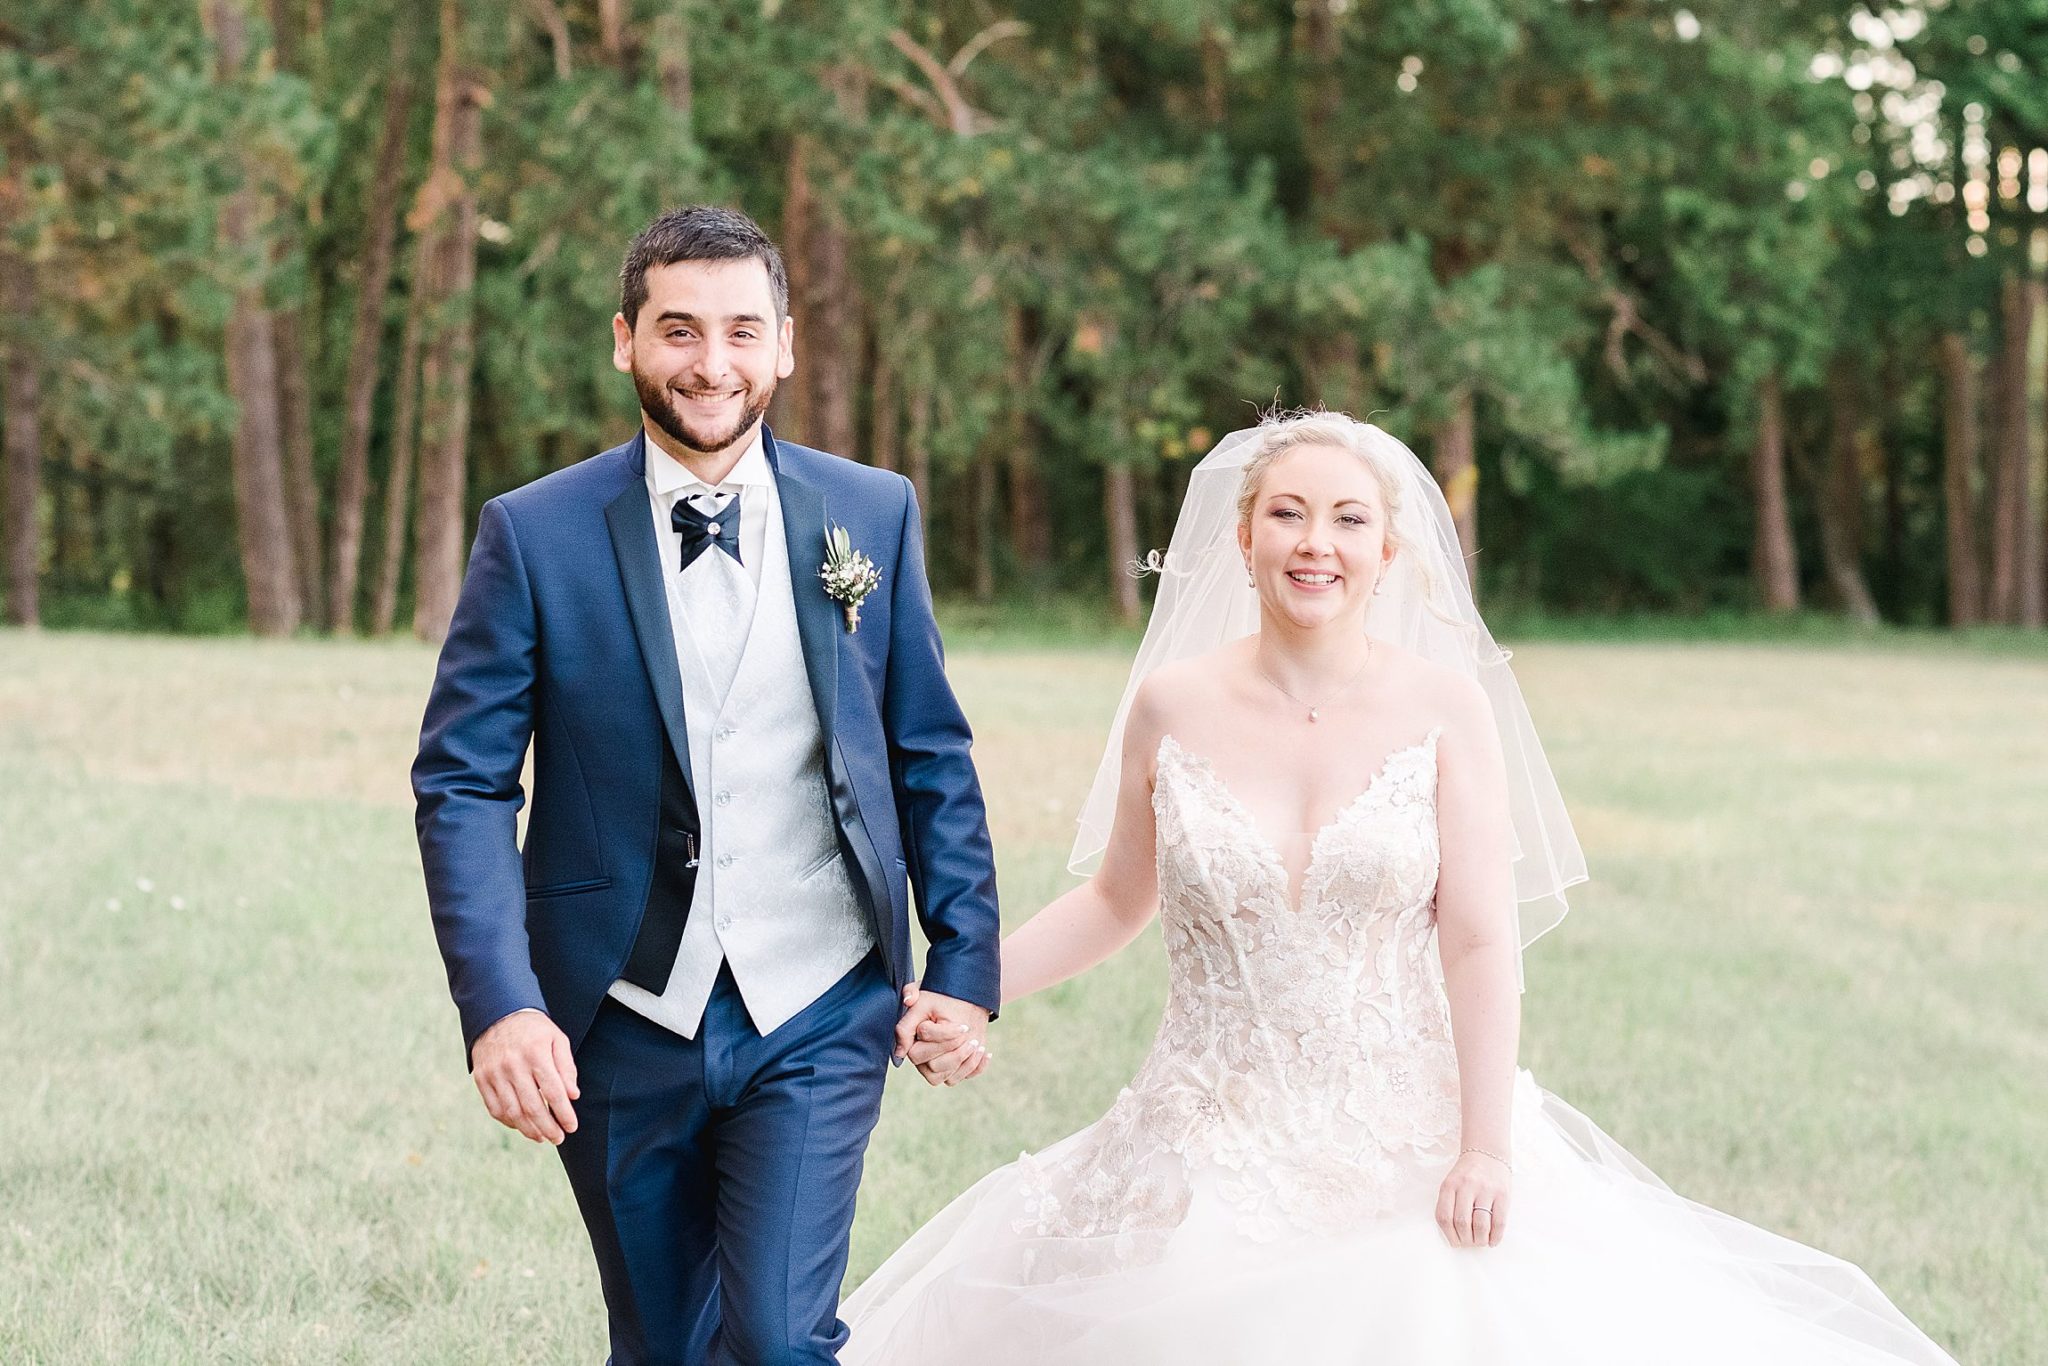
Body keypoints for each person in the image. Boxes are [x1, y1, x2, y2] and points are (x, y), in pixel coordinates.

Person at [847, 410, 1959, 1365]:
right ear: (1240, 537)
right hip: (1202, 1129)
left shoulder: (1442, 707)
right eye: (1285, 513)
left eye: (1346, 519)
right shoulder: (1170, 705)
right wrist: (971, 987)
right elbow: (1113, 902)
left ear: (1388, 549)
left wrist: (1483, 1145)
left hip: (1404, 1136)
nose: (1313, 543)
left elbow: (1476, 940)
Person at [412, 204, 999, 1366]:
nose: (712, 362)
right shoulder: (532, 535)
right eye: (679, 330)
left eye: (742, 330)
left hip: (821, 1002)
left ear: (786, 344)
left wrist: (965, 965)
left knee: (781, 1339)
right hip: (617, 1014)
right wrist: (503, 1005)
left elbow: (927, 747)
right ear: (624, 340)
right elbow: (462, 782)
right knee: (662, 1345)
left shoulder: (869, 512)